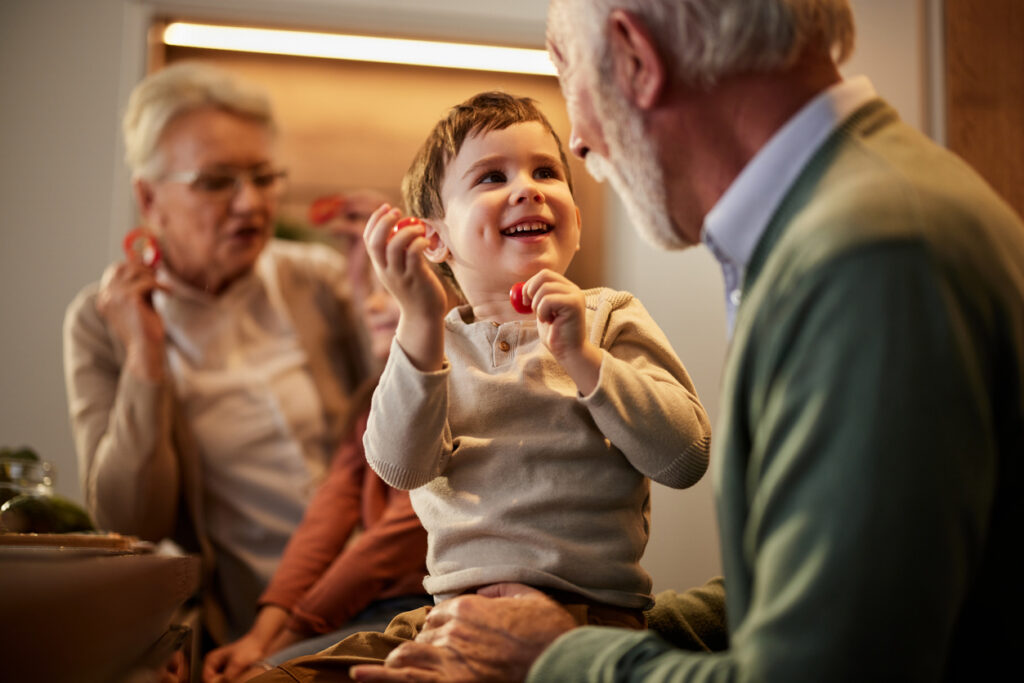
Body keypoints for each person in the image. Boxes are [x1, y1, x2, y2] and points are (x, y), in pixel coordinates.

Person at [344, 0, 1024, 681]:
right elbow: (837, 596)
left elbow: (827, 666)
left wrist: (560, 651)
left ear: (635, 58)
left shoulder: (870, 258)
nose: (579, 141)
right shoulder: (851, 226)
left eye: (567, 72)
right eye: (492, 175)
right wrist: (597, 626)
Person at [251, 90, 713, 682]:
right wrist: (417, 322)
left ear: (573, 216)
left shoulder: (608, 318)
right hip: (445, 616)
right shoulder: (430, 343)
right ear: (435, 239)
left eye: (546, 171)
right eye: (492, 176)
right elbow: (399, 466)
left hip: (582, 623)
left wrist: (584, 358)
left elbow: (685, 457)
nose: (527, 187)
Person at [62, 61, 368, 648]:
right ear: (150, 198)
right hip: (251, 630)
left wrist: (388, 298)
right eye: (216, 181)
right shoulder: (102, 320)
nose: (250, 203)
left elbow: (406, 434)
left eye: (263, 176)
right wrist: (145, 359)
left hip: (382, 595)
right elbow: (129, 523)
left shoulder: (318, 279)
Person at [201, 278, 432, 683]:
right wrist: (260, 636)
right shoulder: (373, 400)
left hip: (420, 609)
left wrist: (280, 645)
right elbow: (325, 519)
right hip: (367, 611)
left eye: (394, 283)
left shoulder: (457, 390)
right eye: (371, 286)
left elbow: (392, 542)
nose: (373, 304)